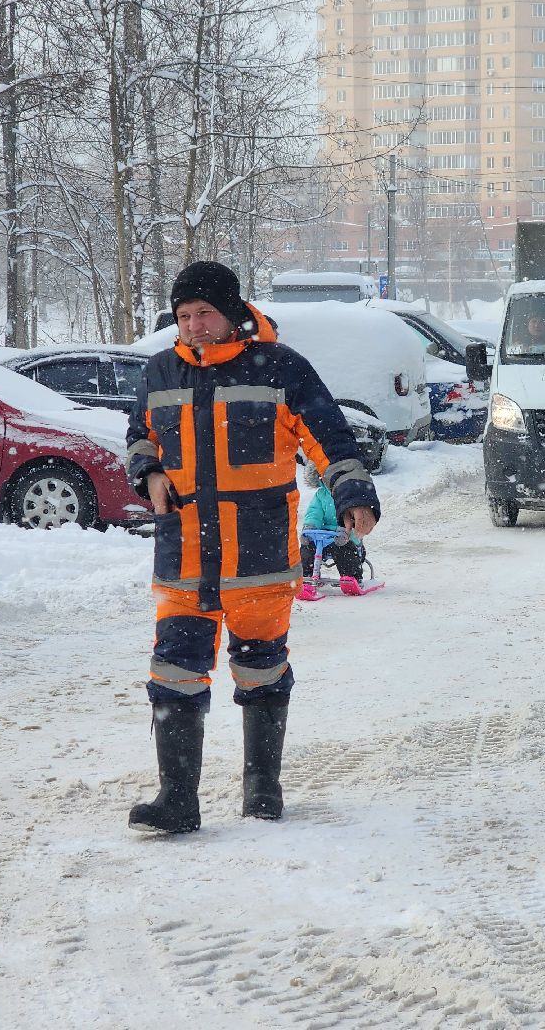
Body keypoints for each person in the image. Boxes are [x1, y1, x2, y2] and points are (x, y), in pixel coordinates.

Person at [125, 260, 379, 835]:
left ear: (233, 311)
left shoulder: (281, 368)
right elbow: (138, 433)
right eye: (184, 315)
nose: (193, 325)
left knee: (261, 669)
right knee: (174, 672)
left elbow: (328, 437)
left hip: (257, 553)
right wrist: (148, 474)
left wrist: (351, 493)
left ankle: (263, 786)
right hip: (184, 553)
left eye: (204, 313)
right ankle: (177, 799)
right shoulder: (161, 371)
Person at [297, 459, 371, 598]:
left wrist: (345, 530)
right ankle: (306, 576)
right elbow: (314, 512)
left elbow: (353, 517)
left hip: (344, 536)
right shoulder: (321, 495)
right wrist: (310, 527)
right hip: (322, 536)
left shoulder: (349, 494)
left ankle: (352, 577)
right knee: (307, 549)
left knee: (345, 552)